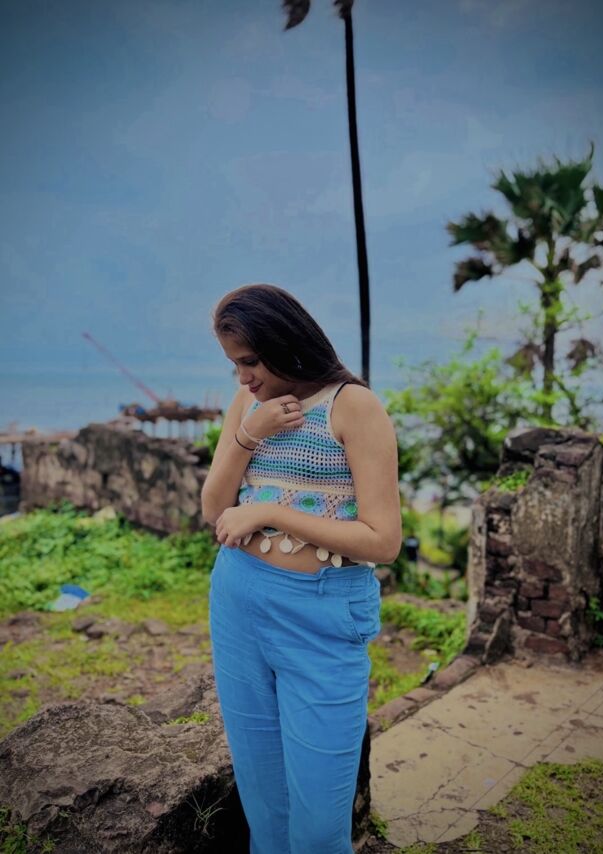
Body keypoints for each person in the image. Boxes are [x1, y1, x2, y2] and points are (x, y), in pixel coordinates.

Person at [201, 283, 402, 854]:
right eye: (234, 365)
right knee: (265, 806)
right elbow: (214, 508)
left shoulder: (353, 406)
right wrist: (249, 433)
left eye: (250, 361)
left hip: (321, 615)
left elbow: (383, 540)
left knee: (317, 828)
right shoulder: (247, 405)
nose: (243, 377)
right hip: (238, 601)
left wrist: (270, 512)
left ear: (285, 344)